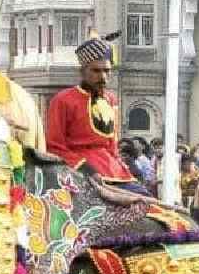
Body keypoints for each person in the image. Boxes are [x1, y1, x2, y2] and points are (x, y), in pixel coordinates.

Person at [45, 35, 134, 183]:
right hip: (79, 172)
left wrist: (121, 166)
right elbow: (55, 147)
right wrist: (85, 169)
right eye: (96, 71)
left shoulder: (111, 100)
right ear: (82, 71)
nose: (103, 77)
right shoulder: (62, 100)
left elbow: (112, 145)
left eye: (107, 71)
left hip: (114, 171)